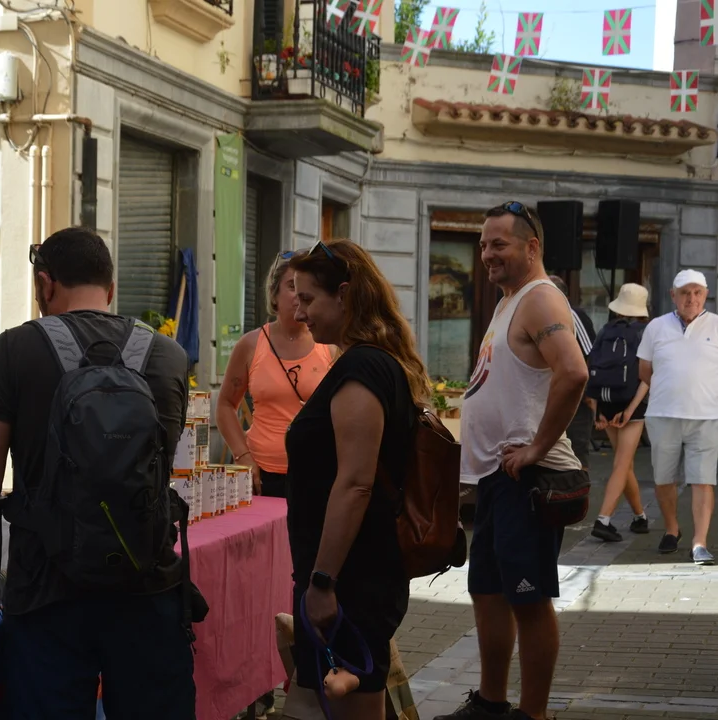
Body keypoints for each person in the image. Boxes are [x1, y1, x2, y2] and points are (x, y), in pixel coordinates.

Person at [0, 227, 194, 718]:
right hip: (146, 582)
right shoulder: (168, 355)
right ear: (111, 289)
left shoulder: (14, 349)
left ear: (45, 284)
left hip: (47, 590)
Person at [438, 202, 588, 720]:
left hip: (527, 477)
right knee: (487, 591)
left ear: (532, 246)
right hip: (496, 478)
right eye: (483, 244)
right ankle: (491, 702)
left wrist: (537, 447)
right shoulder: (510, 301)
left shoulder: (540, 298)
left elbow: (574, 372)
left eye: (498, 244)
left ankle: (533, 713)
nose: (486, 254)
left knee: (528, 598)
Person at [286, 239, 427, 720]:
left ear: (344, 294)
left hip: (351, 578)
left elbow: (356, 483)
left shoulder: (363, 368)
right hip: (352, 573)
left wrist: (323, 582)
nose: (299, 313)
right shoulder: (371, 363)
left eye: (308, 299)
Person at [217, 248, 334, 498]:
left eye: (307, 289)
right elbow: (225, 405)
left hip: (315, 474)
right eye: (292, 286)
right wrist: (243, 456)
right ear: (274, 293)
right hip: (262, 476)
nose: (299, 296)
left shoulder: (330, 346)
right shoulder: (250, 345)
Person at [637, 269, 718, 565]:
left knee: (703, 480)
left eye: (697, 292)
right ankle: (672, 529)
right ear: (673, 295)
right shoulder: (656, 327)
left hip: (707, 416)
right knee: (663, 479)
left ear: (705, 295)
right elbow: (644, 371)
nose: (691, 298)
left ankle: (700, 542)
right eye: (685, 292)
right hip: (663, 414)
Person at [587, 283, 651, 542]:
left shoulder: (605, 330)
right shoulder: (645, 333)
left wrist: (597, 411)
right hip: (631, 402)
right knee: (622, 464)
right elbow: (646, 378)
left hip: (606, 402)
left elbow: (591, 370)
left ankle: (639, 517)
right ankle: (603, 519)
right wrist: (631, 410)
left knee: (625, 464)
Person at [548, 275, 596, 471]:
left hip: (574, 395)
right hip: (549, 394)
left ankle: (580, 489)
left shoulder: (573, 315)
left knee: (576, 453)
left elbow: (590, 355)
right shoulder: (539, 317)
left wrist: (587, 393)